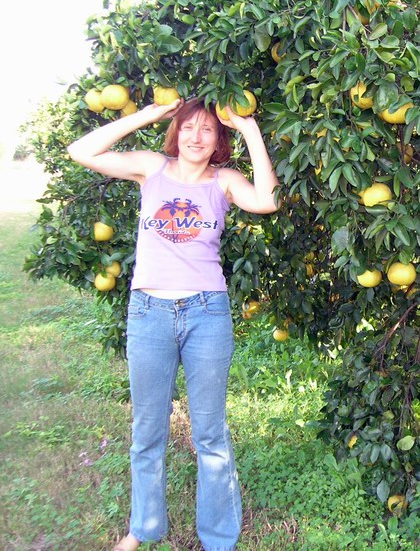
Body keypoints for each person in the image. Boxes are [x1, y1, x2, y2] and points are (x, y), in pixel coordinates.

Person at [68, 95, 280, 551]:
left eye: (208, 129)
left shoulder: (225, 181)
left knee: (210, 432)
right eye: (188, 127)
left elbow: (266, 201)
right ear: (176, 132)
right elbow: (81, 151)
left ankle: (219, 539)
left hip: (207, 313)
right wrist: (146, 115)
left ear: (218, 140)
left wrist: (249, 129)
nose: (196, 137)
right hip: (149, 313)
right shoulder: (151, 167)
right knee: (148, 431)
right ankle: (142, 528)